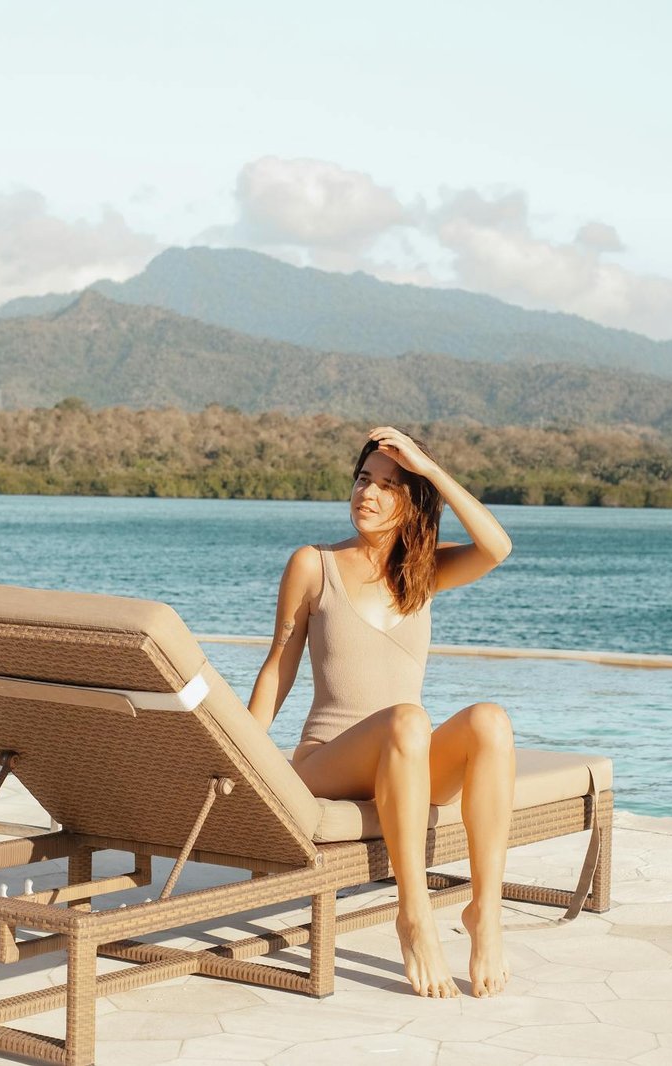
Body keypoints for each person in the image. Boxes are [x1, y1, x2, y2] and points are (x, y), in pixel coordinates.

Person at [247, 426, 516, 998]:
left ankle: (485, 914)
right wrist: (242, 754)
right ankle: (413, 915)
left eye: (389, 485)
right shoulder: (313, 564)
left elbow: (498, 547)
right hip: (328, 764)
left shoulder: (424, 572)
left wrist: (430, 467)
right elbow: (278, 666)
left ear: (413, 499)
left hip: (406, 760)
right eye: (364, 479)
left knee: (490, 720)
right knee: (408, 718)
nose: (367, 493)